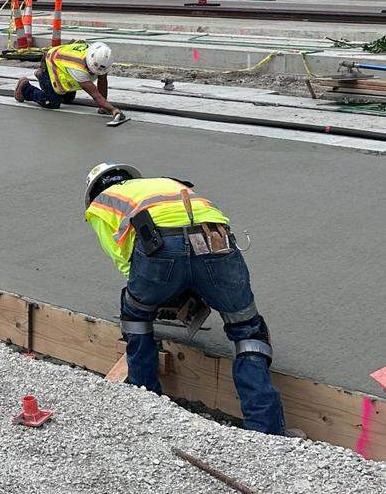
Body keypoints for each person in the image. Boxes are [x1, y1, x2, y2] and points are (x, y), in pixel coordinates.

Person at [83, 162, 285, 435]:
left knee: (136, 316)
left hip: (161, 247)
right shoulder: (168, 183)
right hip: (217, 240)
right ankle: (266, 430)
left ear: (95, 190)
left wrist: (165, 291)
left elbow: (126, 264)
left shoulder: (101, 204)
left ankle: (145, 405)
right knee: (247, 329)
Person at [14, 41, 121, 117]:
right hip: (50, 63)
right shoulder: (79, 69)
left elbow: (102, 80)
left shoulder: (100, 57)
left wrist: (104, 107)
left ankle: (48, 83)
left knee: (68, 99)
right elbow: (95, 95)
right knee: (52, 103)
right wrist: (113, 109)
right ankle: (26, 88)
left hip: (61, 62)